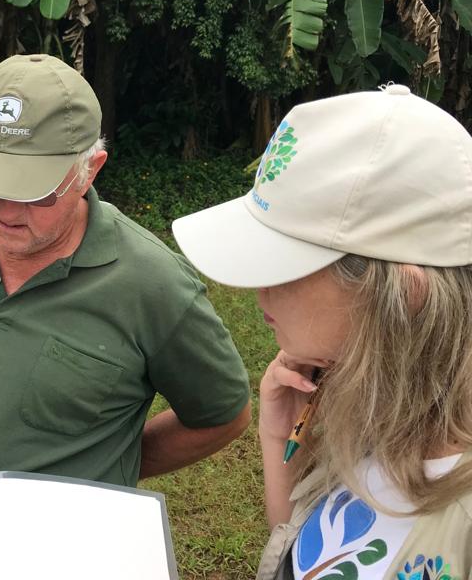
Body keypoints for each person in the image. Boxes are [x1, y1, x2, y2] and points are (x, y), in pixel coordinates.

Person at [0, 53, 252, 486]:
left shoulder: (153, 284)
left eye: (35, 190)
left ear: (89, 171)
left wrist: (113, 468)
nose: (5, 209)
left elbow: (223, 416)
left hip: (64, 542)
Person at [171, 84, 472, 578]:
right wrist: (279, 440)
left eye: (284, 267)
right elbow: (310, 559)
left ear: (404, 297)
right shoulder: (374, 411)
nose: (257, 290)